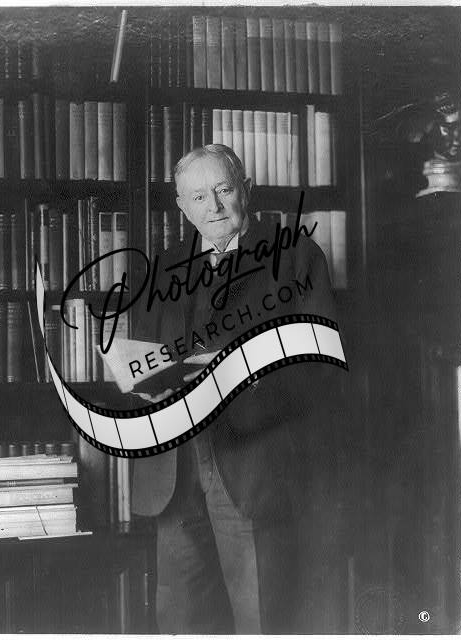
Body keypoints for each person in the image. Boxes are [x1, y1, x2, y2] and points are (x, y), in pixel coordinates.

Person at [130, 144, 341, 633]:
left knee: (259, 618)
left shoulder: (296, 257)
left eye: (224, 190)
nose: (214, 206)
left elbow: (321, 365)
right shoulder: (163, 270)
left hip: (252, 462)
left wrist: (242, 378)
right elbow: (143, 362)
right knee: (181, 620)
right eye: (198, 197)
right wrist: (145, 389)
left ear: (247, 191)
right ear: (182, 207)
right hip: (175, 470)